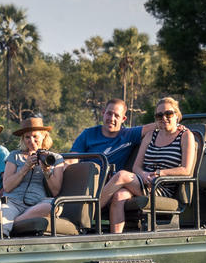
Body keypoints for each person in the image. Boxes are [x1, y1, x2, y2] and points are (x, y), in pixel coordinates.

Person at [97, 96, 197, 234]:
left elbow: (186, 170)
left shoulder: (186, 136)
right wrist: (143, 175)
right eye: (159, 115)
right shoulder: (151, 135)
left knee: (121, 175)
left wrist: (160, 174)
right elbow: (136, 167)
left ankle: (88, 214)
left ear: (177, 115)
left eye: (168, 114)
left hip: (162, 185)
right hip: (143, 181)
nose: (164, 118)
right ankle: (115, 240)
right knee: (119, 196)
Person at [0, 115, 66, 232]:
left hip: (38, 203)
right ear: (23, 139)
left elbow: (55, 190)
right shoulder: (15, 155)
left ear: (44, 136)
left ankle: (14, 223)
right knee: (1, 219)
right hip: (13, 202)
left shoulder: (55, 158)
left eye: (35, 136)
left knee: (53, 206)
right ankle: (12, 225)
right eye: (27, 137)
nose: (31, 141)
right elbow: (7, 187)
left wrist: (46, 170)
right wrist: (25, 167)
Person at [69, 98, 154, 173]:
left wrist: (165, 117)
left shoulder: (129, 135)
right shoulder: (88, 134)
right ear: (103, 113)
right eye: (109, 113)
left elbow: (154, 126)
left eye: (117, 116)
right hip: (86, 180)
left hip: (111, 184)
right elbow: (72, 159)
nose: (112, 119)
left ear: (123, 119)